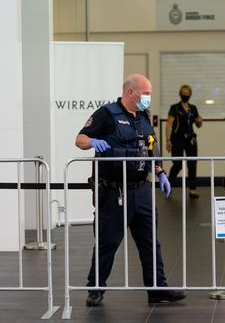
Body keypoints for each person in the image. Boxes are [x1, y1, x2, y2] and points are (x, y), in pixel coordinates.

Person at [75, 73, 186, 306]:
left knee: (150, 241)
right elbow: (80, 139)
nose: (148, 98)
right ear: (130, 92)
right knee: (108, 242)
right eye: (145, 94)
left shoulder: (143, 116)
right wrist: (93, 142)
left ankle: (157, 289)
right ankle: (96, 288)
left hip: (142, 190)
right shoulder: (107, 114)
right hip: (114, 192)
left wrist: (160, 172)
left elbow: (151, 147)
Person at [165, 84, 203, 199]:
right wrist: (168, 140)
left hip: (190, 139)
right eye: (183, 93)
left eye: (187, 93)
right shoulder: (175, 108)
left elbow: (198, 124)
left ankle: (192, 190)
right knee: (177, 164)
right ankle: (168, 184)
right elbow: (169, 125)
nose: (185, 95)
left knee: (192, 164)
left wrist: (200, 121)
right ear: (180, 94)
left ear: (190, 95)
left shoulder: (193, 108)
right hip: (177, 138)